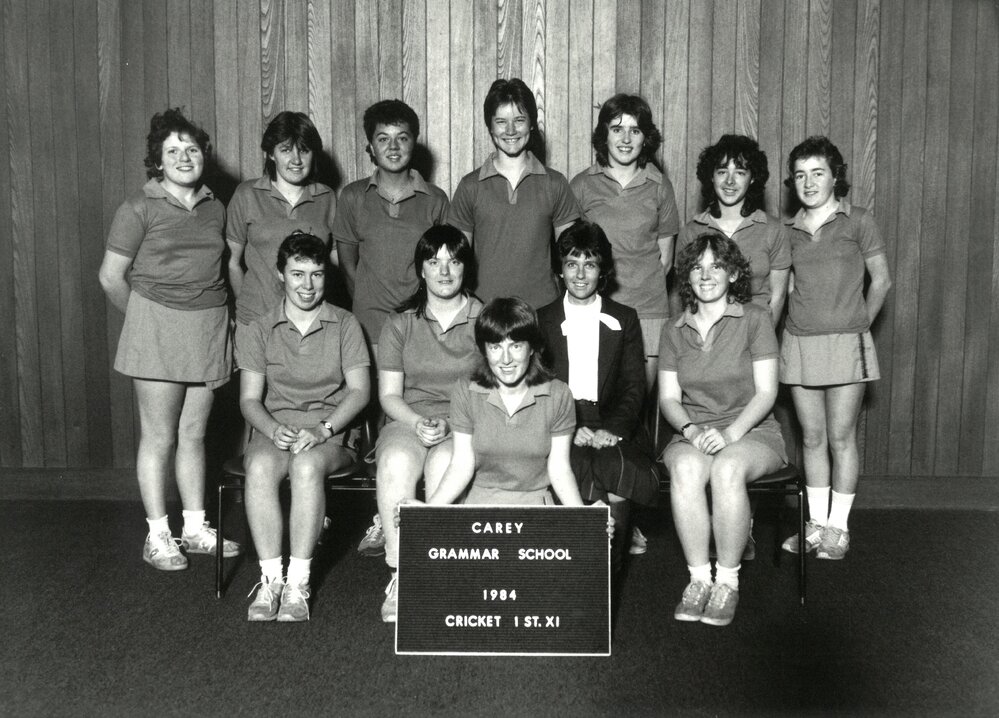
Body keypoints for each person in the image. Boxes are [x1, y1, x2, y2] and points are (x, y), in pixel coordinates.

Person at [98, 108, 239, 572]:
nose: (183, 157)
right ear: (157, 161)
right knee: (159, 437)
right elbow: (111, 278)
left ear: (203, 156)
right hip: (157, 328)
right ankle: (158, 535)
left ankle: (194, 529)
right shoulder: (137, 208)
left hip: (209, 328)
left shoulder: (216, 207)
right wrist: (147, 321)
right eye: (172, 150)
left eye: (191, 149)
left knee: (194, 435)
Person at [237, 233, 370, 621]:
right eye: (297, 274)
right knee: (259, 466)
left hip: (330, 431)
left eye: (316, 274)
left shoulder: (345, 324)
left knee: (307, 466)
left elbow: (360, 391)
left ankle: (298, 582)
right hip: (278, 428)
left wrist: (324, 429)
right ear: (280, 274)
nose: (307, 285)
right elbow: (249, 400)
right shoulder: (260, 328)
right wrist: (272, 428)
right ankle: (270, 581)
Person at [659, 233, 787, 626]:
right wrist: (692, 431)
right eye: (697, 267)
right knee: (685, 468)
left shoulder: (755, 319)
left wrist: (730, 435)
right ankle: (699, 579)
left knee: (727, 468)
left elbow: (767, 392)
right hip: (694, 431)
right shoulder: (673, 329)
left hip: (752, 432)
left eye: (716, 266)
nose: (706, 275)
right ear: (687, 276)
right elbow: (669, 398)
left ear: (732, 274)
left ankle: (727, 582)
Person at [779, 136, 892, 561]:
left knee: (841, 437)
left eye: (818, 173)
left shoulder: (858, 220)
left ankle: (838, 528)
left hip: (847, 343)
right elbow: (787, 287)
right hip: (799, 342)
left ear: (835, 177)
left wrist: (858, 324)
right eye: (800, 175)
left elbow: (882, 281)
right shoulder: (787, 230)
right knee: (811, 438)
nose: (808, 183)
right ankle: (816, 524)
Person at [373, 225, 483, 622]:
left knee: (444, 464)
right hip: (409, 418)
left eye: (453, 261)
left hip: (465, 422)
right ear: (421, 269)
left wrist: (454, 426)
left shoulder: (483, 317)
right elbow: (389, 395)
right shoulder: (400, 322)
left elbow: (493, 390)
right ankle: (401, 571)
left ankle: (438, 574)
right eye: (434, 262)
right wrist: (419, 422)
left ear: (465, 267)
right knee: (396, 462)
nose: (444, 271)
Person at [537, 221, 659, 576]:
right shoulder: (542, 319)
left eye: (589, 264)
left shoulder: (624, 318)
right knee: (571, 468)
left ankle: (608, 578)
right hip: (560, 423)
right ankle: (570, 575)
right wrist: (567, 428)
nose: (580, 274)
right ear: (560, 269)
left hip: (612, 423)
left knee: (615, 469)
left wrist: (613, 430)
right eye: (572, 264)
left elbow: (634, 386)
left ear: (602, 270)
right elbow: (538, 386)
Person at [424, 297, 585, 507]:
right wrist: (427, 511)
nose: (506, 359)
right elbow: (461, 465)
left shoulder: (559, 394)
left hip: (535, 505)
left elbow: (560, 469)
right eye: (495, 347)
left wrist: (585, 519)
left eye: (516, 346)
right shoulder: (466, 390)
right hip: (480, 505)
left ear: (532, 348)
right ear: (484, 350)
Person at [569, 93, 680, 388]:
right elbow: (568, 255)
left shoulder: (660, 186)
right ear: (604, 134)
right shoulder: (582, 185)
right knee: (597, 397)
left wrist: (639, 289)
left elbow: (665, 260)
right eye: (617, 129)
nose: (626, 139)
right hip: (597, 308)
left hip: (648, 311)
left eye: (635, 130)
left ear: (646, 138)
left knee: (638, 401)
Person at [448, 78, 580, 308]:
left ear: (532, 123)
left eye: (519, 120)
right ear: (490, 126)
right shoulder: (470, 186)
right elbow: (456, 260)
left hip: (543, 310)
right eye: (501, 121)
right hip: (484, 310)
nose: (510, 130)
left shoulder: (555, 183)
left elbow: (571, 257)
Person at [333, 99, 449, 347]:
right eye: (383, 138)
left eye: (402, 138)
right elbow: (347, 264)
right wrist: (365, 307)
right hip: (369, 327)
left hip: (421, 323)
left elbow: (444, 266)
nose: (393, 147)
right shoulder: (353, 196)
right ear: (371, 146)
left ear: (413, 143)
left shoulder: (436, 199)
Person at [227, 111, 336, 332]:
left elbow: (334, 263)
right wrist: (247, 311)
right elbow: (232, 263)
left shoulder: (326, 197)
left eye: (304, 150)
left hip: (309, 322)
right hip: (256, 320)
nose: (296, 160)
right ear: (271, 153)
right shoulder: (247, 194)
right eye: (286, 150)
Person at [676, 134, 790, 325]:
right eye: (722, 172)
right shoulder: (691, 232)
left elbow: (778, 297)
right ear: (711, 176)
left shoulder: (773, 229)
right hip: (706, 334)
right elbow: (684, 295)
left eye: (740, 172)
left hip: (755, 332)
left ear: (752, 178)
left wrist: (764, 337)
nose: (730, 181)